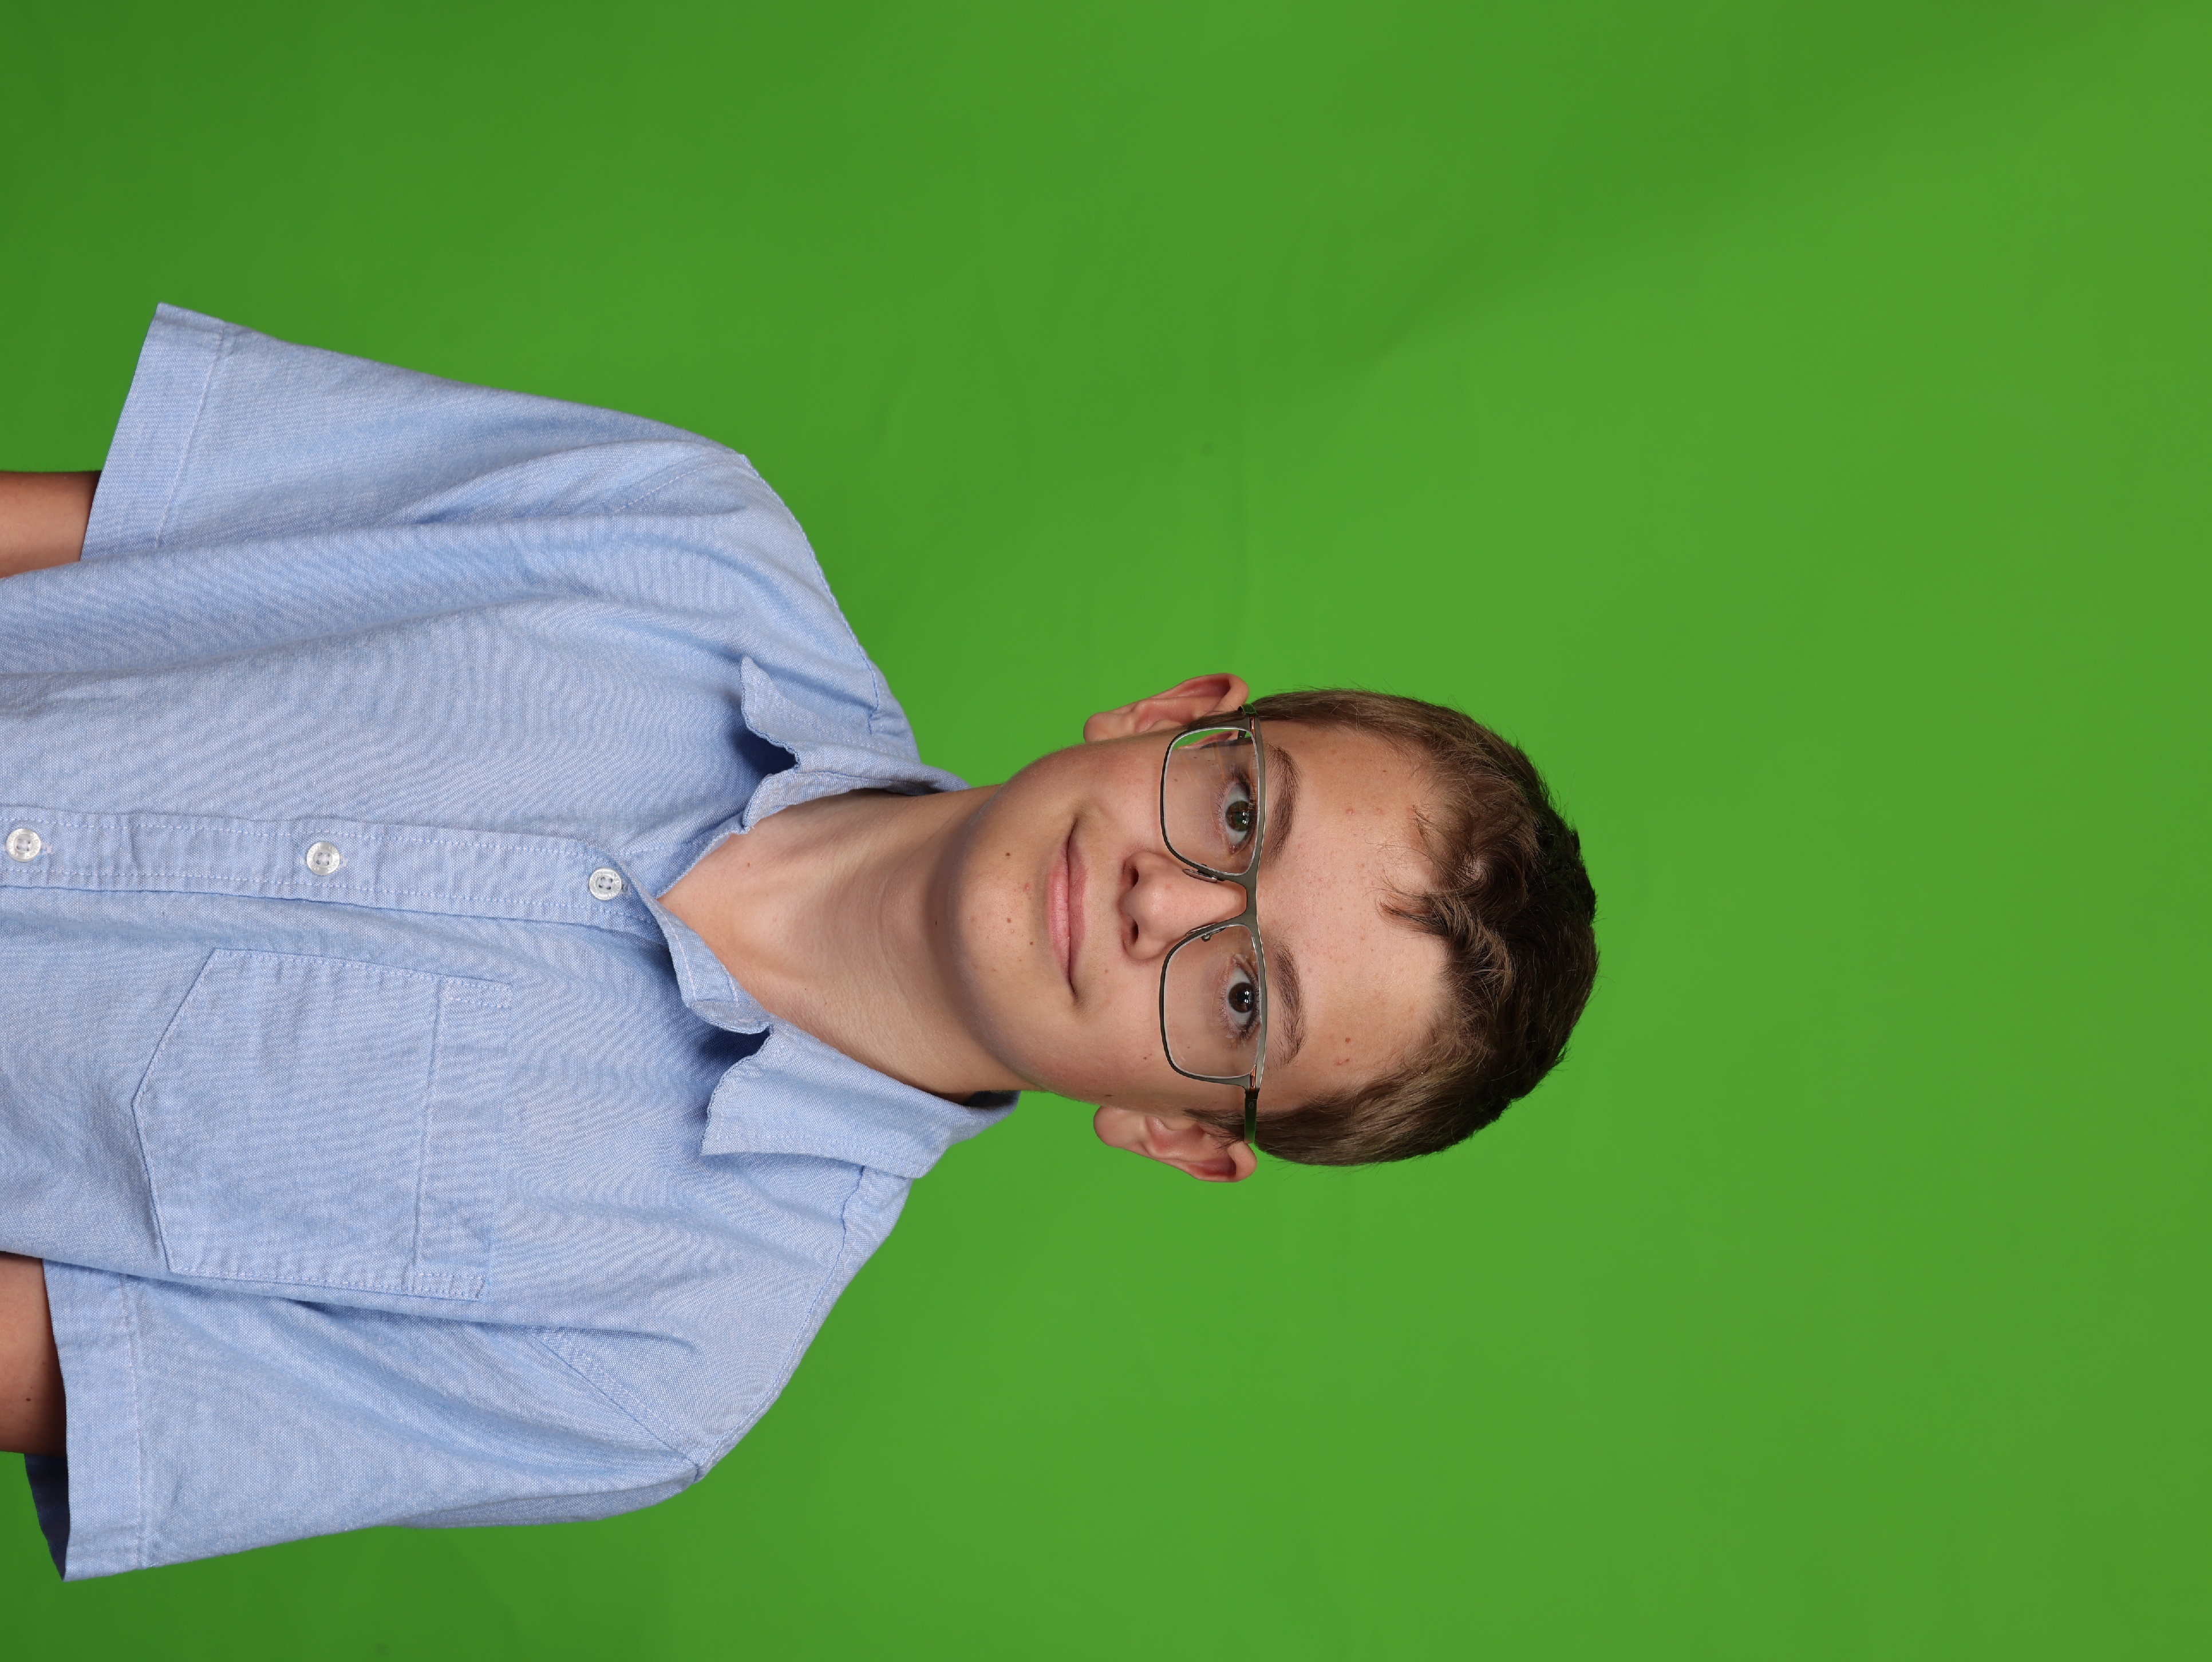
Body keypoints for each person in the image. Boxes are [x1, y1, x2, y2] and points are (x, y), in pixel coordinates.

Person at [1, 306, 1597, 1578]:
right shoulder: (683, 538)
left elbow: (71, 1362)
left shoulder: (659, 1366)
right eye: (1240, 815)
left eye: (1244, 996)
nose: (1160, 900)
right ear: (1168, 716)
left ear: (1177, 1129)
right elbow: (124, 532)